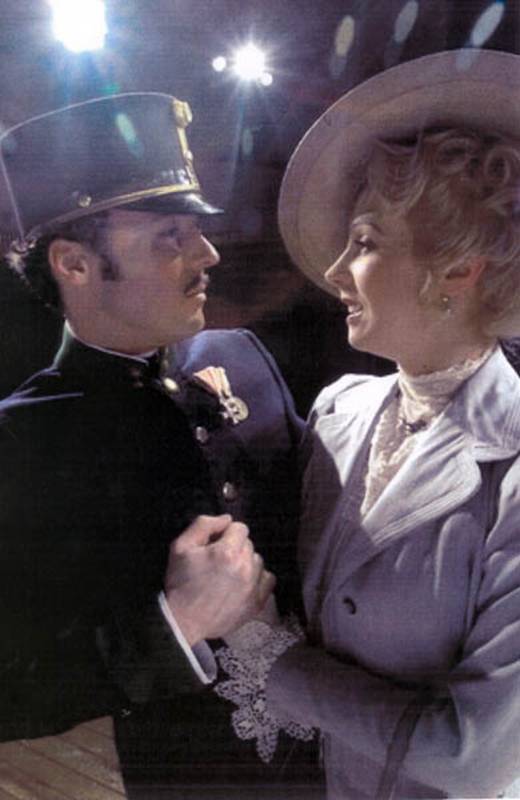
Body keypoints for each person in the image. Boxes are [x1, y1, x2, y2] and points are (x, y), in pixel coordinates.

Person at [211, 49, 520, 799]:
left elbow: (473, 758)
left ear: (460, 270)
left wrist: (267, 655)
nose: (335, 272)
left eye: (366, 241)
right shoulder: (340, 410)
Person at [0, 93, 321, 797]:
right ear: (74, 265)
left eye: (197, 230)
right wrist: (175, 623)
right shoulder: (20, 443)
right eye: (169, 236)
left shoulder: (241, 357)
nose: (207, 255)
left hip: (354, 759)